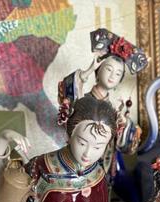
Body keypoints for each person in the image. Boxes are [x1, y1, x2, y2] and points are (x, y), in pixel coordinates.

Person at [58, 28, 148, 175]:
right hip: (79, 164)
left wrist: (123, 123)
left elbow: (127, 145)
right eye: (108, 69)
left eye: (118, 73)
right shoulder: (83, 101)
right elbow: (68, 97)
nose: (112, 76)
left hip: (104, 167)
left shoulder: (114, 109)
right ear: (98, 70)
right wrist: (88, 70)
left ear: (120, 79)